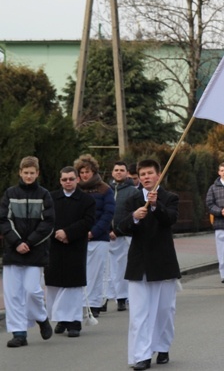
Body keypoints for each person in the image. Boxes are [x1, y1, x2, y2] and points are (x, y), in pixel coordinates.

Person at [117, 159, 181, 370]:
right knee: (139, 313)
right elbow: (122, 226)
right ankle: (141, 355)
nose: (146, 177)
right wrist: (134, 217)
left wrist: (155, 206)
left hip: (163, 262)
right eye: (142, 174)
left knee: (164, 310)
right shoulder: (132, 198)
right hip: (139, 262)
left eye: (149, 173)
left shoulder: (169, 198)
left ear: (158, 174)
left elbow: (170, 219)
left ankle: (162, 346)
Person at [0, 156, 54, 348]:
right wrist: (16, 243)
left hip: (35, 251)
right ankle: (19, 333)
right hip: (13, 251)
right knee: (13, 294)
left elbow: (47, 223)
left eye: (32, 173)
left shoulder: (44, 195)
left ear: (37, 173)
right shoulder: (10, 193)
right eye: (26, 173)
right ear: (20, 173)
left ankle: (41, 317)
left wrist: (29, 242)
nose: (29, 176)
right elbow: (4, 220)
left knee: (32, 291)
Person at [45, 166, 95, 338]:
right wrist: (57, 234)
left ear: (77, 180)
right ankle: (61, 319)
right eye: (64, 179)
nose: (68, 182)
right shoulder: (51, 198)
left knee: (72, 286)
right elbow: (45, 220)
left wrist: (68, 233)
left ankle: (74, 322)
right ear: (60, 181)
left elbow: (88, 221)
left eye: (71, 179)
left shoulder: (87, 200)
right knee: (55, 285)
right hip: (55, 246)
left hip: (75, 246)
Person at [74, 154, 115, 318]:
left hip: (99, 237)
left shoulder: (105, 189)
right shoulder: (75, 189)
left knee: (97, 273)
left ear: (94, 171)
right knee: (80, 272)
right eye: (82, 172)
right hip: (78, 237)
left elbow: (108, 213)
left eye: (87, 171)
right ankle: (80, 303)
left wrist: (94, 232)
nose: (84, 174)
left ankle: (95, 304)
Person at [106, 160, 139, 312]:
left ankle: (122, 297)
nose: (118, 172)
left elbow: (133, 215)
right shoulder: (106, 190)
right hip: (106, 236)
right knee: (107, 270)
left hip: (124, 235)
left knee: (121, 269)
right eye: (116, 170)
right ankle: (104, 298)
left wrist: (118, 230)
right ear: (112, 173)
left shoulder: (133, 191)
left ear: (127, 173)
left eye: (122, 170)